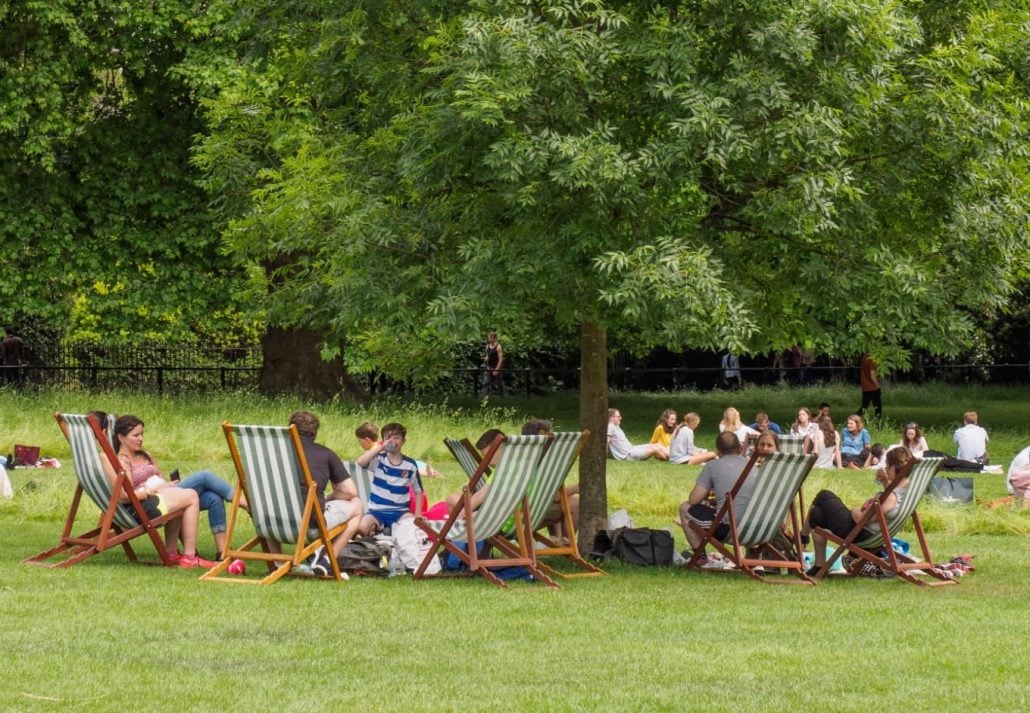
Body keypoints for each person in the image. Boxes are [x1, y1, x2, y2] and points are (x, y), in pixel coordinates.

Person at [109, 414, 218, 568]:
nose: (140, 439)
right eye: (136, 435)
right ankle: (189, 556)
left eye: (142, 434)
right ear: (120, 437)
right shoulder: (122, 462)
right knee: (192, 495)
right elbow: (125, 496)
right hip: (140, 509)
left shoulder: (139, 456)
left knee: (189, 496)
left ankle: (172, 553)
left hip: (147, 502)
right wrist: (152, 491)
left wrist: (164, 486)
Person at [804, 446, 914, 574]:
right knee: (817, 514)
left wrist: (854, 510)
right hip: (875, 536)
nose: (885, 468)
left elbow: (863, 519)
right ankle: (819, 566)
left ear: (894, 469)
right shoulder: (907, 490)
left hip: (861, 534)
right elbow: (892, 499)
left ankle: (802, 536)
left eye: (887, 465)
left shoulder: (891, 497)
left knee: (824, 495)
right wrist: (885, 482)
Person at [287, 411, 362, 576]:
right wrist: (329, 498)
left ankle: (277, 563)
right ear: (314, 433)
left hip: (270, 522)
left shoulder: (273, 454)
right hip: (310, 526)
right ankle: (327, 559)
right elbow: (350, 491)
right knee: (357, 505)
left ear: (290, 429)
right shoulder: (325, 454)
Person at [677, 432, 752, 563]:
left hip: (728, 529)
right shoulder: (751, 467)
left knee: (684, 508)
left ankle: (700, 558)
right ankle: (755, 558)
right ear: (739, 448)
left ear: (718, 450)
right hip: (754, 528)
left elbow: (694, 500)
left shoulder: (713, 466)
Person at [356, 422, 422, 536]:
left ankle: (385, 529)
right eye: (388, 438)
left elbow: (419, 491)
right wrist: (381, 447)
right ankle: (381, 528)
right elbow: (361, 461)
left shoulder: (410, 465)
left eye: (396, 438)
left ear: (403, 441)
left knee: (413, 529)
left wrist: (418, 515)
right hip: (376, 511)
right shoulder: (378, 459)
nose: (392, 441)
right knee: (361, 528)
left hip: (400, 512)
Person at [356, 421, 441, 480]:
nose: (359, 443)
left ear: (367, 440)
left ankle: (427, 472)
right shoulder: (381, 444)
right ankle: (428, 471)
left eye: (360, 440)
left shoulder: (374, 450)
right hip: (415, 463)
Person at [478, 331, 505, 397]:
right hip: (489, 367)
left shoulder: (498, 346)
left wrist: (496, 370)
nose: (489, 339)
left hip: (497, 367)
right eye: (488, 338)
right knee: (485, 382)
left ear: (495, 338)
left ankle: (502, 399)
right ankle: (481, 399)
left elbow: (501, 359)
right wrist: (487, 358)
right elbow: (488, 356)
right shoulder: (487, 346)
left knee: (500, 384)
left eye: (490, 338)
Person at [857, 353, 882, 420]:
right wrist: (878, 386)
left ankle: (853, 419)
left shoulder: (864, 357)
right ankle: (877, 423)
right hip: (873, 387)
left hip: (865, 387)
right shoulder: (871, 359)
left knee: (864, 407)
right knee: (878, 408)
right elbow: (872, 376)